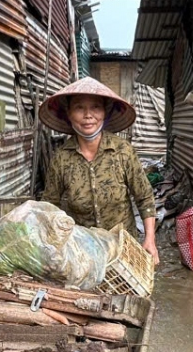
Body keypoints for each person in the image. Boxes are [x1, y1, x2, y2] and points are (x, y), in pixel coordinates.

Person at [39, 78, 160, 266]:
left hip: (123, 248)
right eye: (79, 108)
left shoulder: (123, 151)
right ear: (69, 114)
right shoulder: (62, 158)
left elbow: (144, 197)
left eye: (95, 107)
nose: (88, 115)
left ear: (105, 113)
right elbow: (49, 206)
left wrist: (150, 240)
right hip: (82, 251)